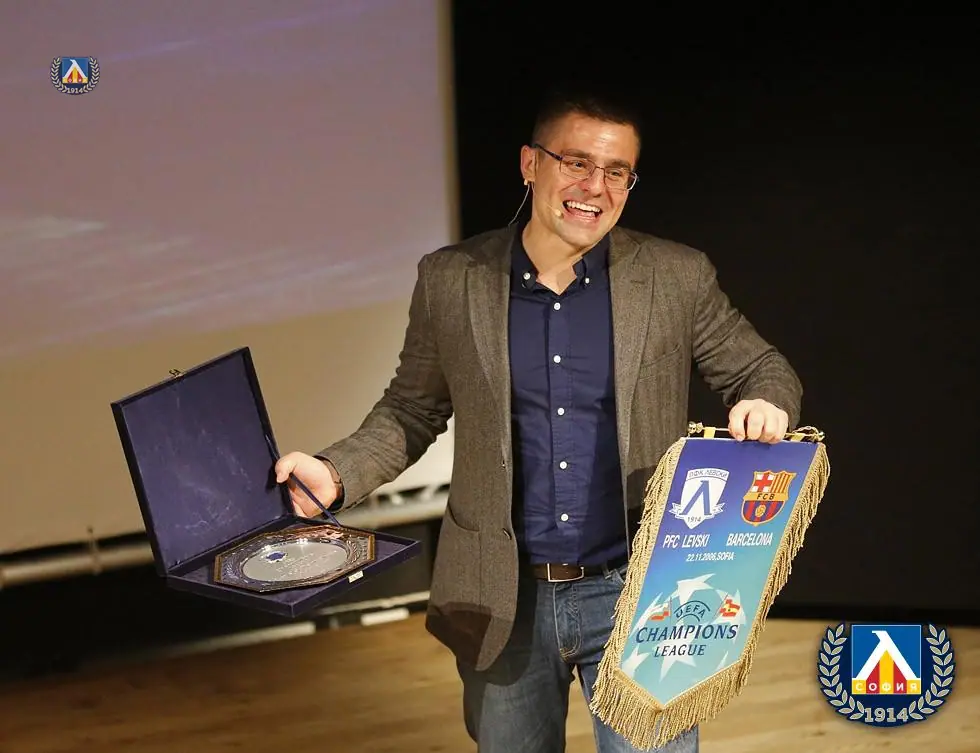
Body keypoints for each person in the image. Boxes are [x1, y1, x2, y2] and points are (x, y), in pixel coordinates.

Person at [275, 87, 802, 752]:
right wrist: (335, 472)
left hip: (640, 595)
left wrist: (764, 402)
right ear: (530, 164)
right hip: (505, 600)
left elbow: (764, 368)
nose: (595, 187)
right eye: (576, 162)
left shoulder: (675, 276)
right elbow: (411, 409)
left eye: (616, 171)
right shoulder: (451, 280)